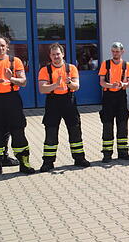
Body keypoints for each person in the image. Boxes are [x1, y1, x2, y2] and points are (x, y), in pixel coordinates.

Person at [0, 36, 35, 176]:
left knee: (18, 130)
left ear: (7, 47)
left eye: (3, 45)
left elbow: (23, 82)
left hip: (12, 100)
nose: (0, 48)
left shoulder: (15, 61)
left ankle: (24, 163)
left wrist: (11, 78)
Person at [38, 43, 90, 171]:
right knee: (51, 132)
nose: (56, 56)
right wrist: (55, 85)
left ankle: (79, 158)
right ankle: (48, 162)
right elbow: (42, 89)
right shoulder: (45, 70)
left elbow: (76, 86)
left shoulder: (71, 68)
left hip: (69, 101)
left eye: (58, 54)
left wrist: (69, 83)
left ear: (63, 54)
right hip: (53, 102)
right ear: (50, 56)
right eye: (53, 54)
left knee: (75, 130)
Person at [98, 42, 129, 162]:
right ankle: (107, 154)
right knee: (107, 124)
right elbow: (102, 82)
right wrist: (111, 85)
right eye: (113, 51)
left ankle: (123, 152)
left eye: (117, 51)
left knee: (123, 124)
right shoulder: (106, 64)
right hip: (108, 96)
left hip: (121, 96)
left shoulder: (127, 65)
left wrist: (123, 84)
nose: (115, 54)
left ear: (122, 52)